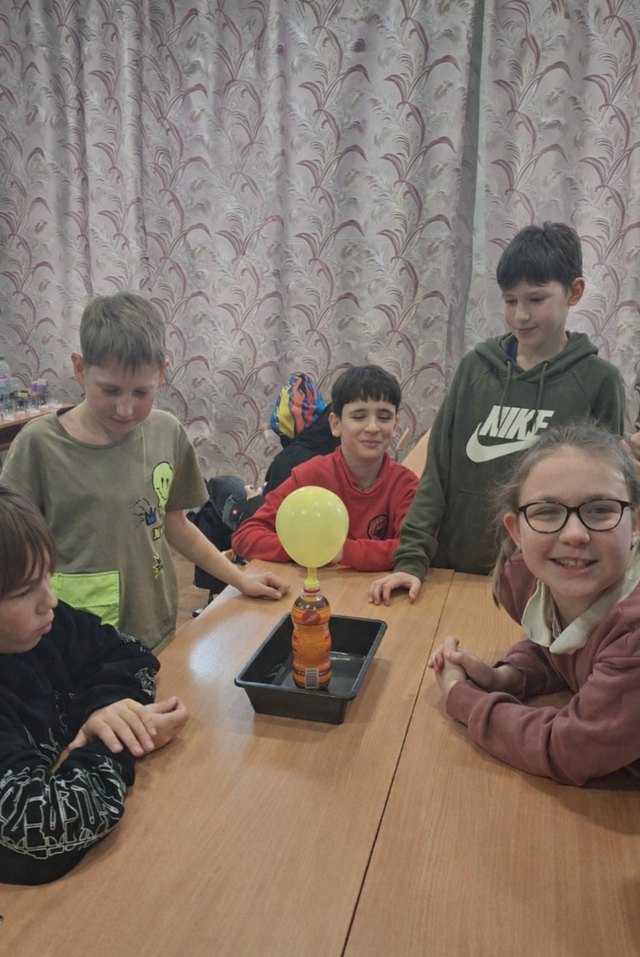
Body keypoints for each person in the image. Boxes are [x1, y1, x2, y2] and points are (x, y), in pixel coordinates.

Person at [1, 292, 288, 650]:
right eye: (110, 390)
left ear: (162, 373)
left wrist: (239, 579)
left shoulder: (167, 432)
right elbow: (11, 550)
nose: (125, 409)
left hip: (153, 624)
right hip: (75, 639)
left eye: (141, 392)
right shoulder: (39, 445)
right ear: (80, 369)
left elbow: (177, 525)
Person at [369, 222, 626, 606]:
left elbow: (604, 501)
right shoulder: (474, 368)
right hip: (454, 573)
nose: (520, 315)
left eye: (535, 299)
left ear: (574, 292)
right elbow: (435, 475)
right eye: (510, 301)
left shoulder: (599, 380)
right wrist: (411, 560)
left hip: (550, 591)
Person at [428, 422, 640, 786]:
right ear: (516, 530)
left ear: (635, 523)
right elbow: (562, 646)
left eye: (601, 509)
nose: (574, 534)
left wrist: (459, 695)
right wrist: (503, 677)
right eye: (547, 512)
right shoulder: (527, 578)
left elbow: (571, 749)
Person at [0, 485, 189, 884]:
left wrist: (108, 706)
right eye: (25, 591)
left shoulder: (43, 629)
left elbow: (128, 651)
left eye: (47, 577)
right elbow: (42, 831)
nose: (50, 601)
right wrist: (121, 738)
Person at [231, 366, 419, 572]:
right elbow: (246, 536)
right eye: (359, 416)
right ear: (335, 424)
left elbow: (413, 547)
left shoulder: (405, 484)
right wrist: (308, 549)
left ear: (395, 425)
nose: (373, 427)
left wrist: (341, 552)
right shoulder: (309, 475)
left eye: (384, 417)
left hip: (380, 591)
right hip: (318, 587)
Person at [189, 404, 340, 593]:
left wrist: (255, 501)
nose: (370, 428)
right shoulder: (308, 465)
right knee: (221, 490)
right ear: (334, 423)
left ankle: (214, 590)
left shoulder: (303, 459)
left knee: (220, 491)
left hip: (295, 545)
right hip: (284, 542)